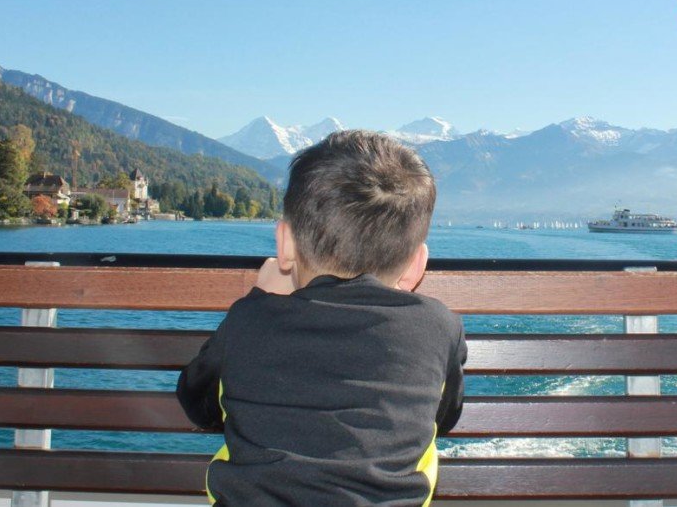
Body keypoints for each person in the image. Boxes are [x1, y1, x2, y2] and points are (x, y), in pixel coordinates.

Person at [177, 130, 467, 506]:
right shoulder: (437, 327)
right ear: (416, 265)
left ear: (285, 246)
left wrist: (260, 298)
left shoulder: (250, 320)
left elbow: (197, 403)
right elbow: (442, 417)